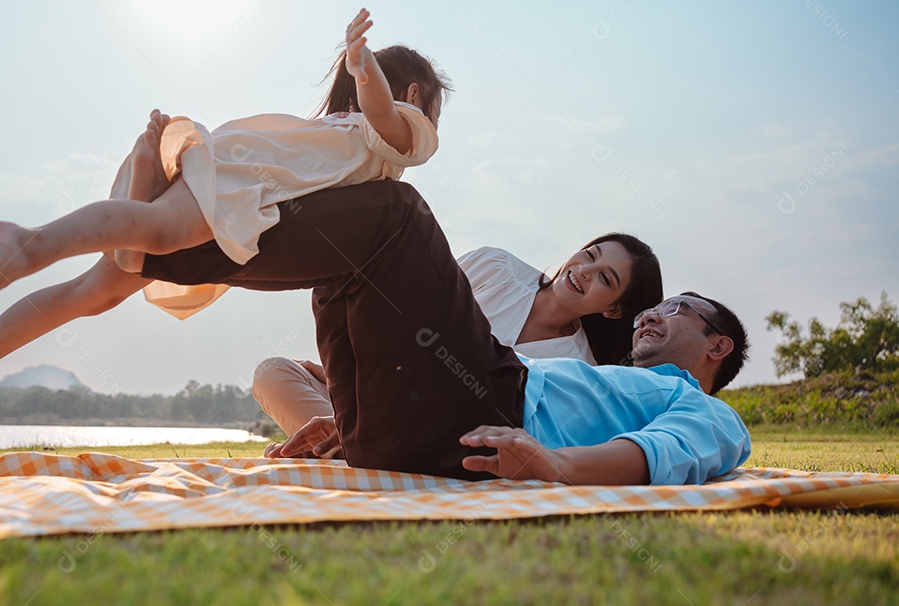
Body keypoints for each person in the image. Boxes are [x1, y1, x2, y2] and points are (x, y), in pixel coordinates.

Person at [0, 9, 450, 454]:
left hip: (232, 162)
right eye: (433, 110)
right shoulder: (397, 129)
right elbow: (386, 115)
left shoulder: (338, 132)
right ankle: (30, 240)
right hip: (241, 182)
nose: (429, 127)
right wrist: (365, 73)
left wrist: (360, 72)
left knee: (97, 291)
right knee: (156, 233)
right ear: (413, 95)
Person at [134, 179, 752, 484]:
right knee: (344, 270)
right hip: (432, 424)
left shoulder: (705, 410)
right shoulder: (609, 376)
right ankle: (166, 235)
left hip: (494, 410)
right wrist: (356, 420)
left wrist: (553, 466)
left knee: (398, 214)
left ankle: (156, 248)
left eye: (675, 309)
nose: (653, 313)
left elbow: (660, 454)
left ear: (716, 345)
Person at [254, 238, 664, 457]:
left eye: (605, 279)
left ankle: (340, 444)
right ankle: (342, 443)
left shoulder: (577, 366)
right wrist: (347, 377)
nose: (584, 270)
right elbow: (405, 317)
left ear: (613, 311)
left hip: (435, 432)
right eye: (589, 254)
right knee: (274, 372)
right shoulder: (495, 267)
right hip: (384, 386)